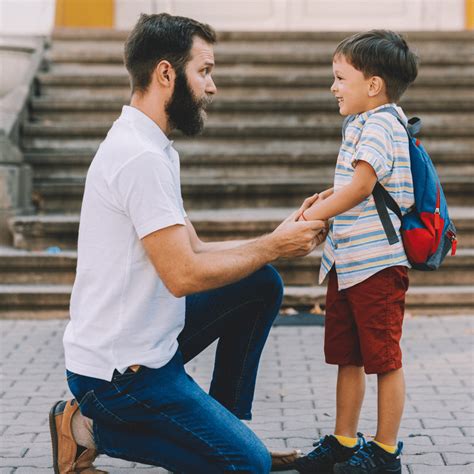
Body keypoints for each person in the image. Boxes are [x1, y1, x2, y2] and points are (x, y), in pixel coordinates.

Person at [48, 13, 327, 474]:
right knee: (247, 466)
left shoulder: (152, 145)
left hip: (147, 345)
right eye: (204, 71)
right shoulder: (139, 157)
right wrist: (275, 246)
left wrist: (273, 238)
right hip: (117, 378)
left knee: (259, 283)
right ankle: (84, 429)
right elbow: (184, 276)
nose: (211, 87)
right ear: (165, 73)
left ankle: (222, 424)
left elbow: (194, 249)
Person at [291, 30, 418, 474]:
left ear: (373, 85)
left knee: (384, 360)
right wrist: (324, 197)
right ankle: (345, 442)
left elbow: (363, 187)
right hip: (348, 263)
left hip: (377, 266)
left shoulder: (384, 122)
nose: (333, 86)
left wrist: (312, 219)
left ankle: (385, 453)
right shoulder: (362, 123)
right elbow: (357, 183)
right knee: (349, 355)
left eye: (340, 77)